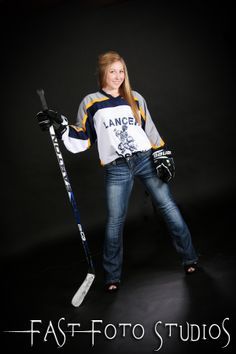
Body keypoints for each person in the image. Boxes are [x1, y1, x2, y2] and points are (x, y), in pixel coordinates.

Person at [36, 50, 199, 292]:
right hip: (117, 167)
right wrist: (59, 126)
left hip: (145, 159)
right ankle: (112, 276)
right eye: (112, 71)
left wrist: (162, 152)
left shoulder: (135, 98)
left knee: (168, 207)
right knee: (115, 221)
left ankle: (190, 258)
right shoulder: (91, 102)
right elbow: (82, 137)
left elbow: (149, 128)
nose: (118, 76)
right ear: (103, 73)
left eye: (121, 71)